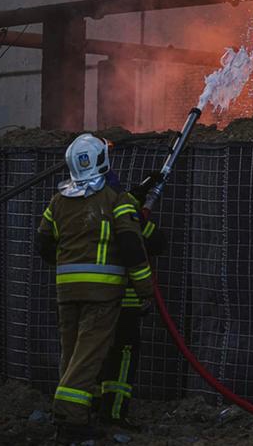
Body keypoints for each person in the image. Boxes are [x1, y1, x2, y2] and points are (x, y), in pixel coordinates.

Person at [35, 134, 154, 444]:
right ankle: (70, 417)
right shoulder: (115, 200)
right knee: (88, 355)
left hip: (66, 293)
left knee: (72, 354)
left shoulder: (58, 201)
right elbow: (132, 247)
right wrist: (145, 290)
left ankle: (75, 413)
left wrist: (70, 263)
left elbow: (43, 243)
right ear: (102, 161)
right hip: (102, 296)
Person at [97, 172, 166, 429]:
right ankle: (114, 413)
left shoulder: (79, 211)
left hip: (89, 300)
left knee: (92, 354)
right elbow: (155, 242)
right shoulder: (125, 215)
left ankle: (89, 409)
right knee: (123, 355)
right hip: (123, 301)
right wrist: (136, 212)